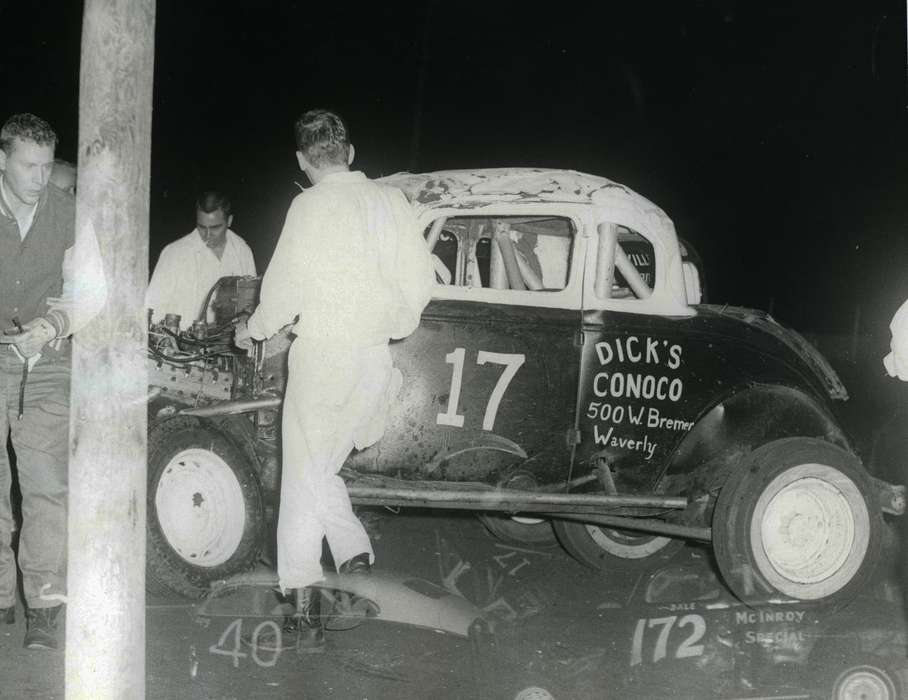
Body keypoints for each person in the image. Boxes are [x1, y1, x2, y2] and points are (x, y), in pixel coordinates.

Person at [234, 109, 433, 650]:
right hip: (374, 360)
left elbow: (281, 294)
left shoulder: (308, 205)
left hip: (322, 357)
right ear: (351, 152)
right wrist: (391, 323)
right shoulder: (392, 203)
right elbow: (419, 286)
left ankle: (301, 606)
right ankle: (356, 559)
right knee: (321, 470)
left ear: (302, 161)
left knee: (301, 477)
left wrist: (253, 330)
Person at [0, 113, 106, 650]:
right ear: (2, 160)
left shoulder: (68, 213)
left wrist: (52, 325)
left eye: (48, 166)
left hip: (46, 360)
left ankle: (43, 604)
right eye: (29, 166)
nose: (42, 178)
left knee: (45, 487)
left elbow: (92, 290)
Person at [146, 191, 256, 330]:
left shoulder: (242, 250)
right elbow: (152, 309)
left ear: (229, 221)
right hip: (184, 345)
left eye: (215, 227)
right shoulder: (174, 253)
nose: (207, 235)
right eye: (202, 227)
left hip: (229, 344)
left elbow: (250, 303)